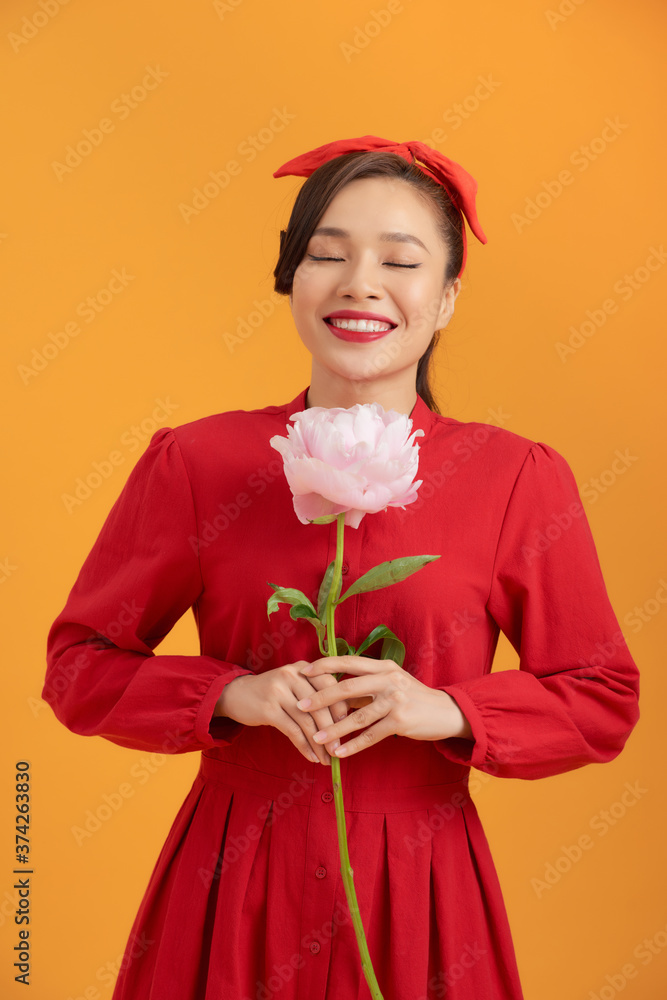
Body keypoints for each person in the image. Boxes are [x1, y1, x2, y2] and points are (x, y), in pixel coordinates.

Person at [44, 135, 640, 1000]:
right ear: (292, 279)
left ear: (444, 300)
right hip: (232, 878)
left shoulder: (514, 477)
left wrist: (445, 708)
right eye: (327, 254)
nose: (359, 282)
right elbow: (78, 666)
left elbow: (600, 695)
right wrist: (228, 694)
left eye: (400, 261)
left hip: (423, 889)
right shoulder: (198, 462)